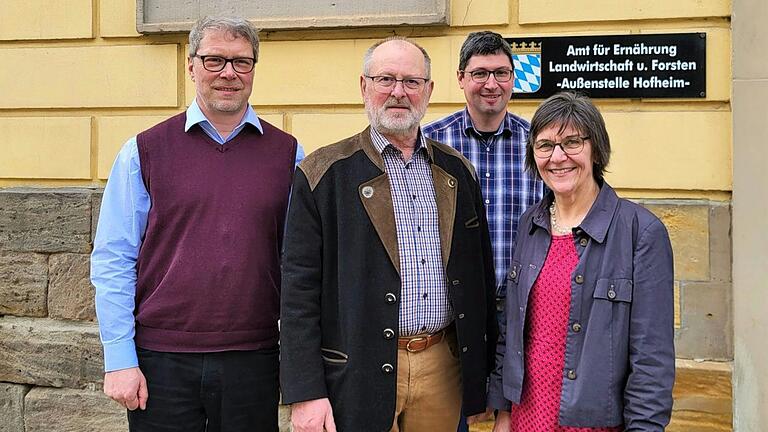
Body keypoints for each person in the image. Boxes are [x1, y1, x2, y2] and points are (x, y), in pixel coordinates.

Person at [91, 16, 302, 431]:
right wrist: (119, 359)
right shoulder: (144, 151)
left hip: (254, 357)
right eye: (214, 60)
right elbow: (114, 257)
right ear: (191, 66)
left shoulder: (288, 155)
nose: (228, 73)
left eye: (241, 62)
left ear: (254, 69)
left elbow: (299, 264)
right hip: (161, 361)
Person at [280, 36, 497, 432]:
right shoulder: (322, 173)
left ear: (429, 91)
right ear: (364, 86)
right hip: (357, 367)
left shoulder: (457, 172)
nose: (399, 92)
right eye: (386, 79)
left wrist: (483, 378)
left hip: (442, 366)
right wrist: (305, 392)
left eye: (412, 82)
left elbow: (480, 277)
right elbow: (297, 293)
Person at [488, 92, 675, 431]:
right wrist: (503, 412)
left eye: (572, 142)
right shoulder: (530, 224)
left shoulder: (640, 232)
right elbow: (511, 332)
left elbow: (651, 359)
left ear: (596, 148)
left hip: (594, 423)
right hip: (527, 418)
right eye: (545, 145)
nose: (558, 157)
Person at [422, 31, 545, 430]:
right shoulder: (430, 143)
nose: (491, 84)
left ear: (514, 78)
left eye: (501, 73)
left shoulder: (539, 147)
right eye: (479, 73)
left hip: (522, 309)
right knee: (451, 412)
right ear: (460, 78)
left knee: (517, 414)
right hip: (452, 311)